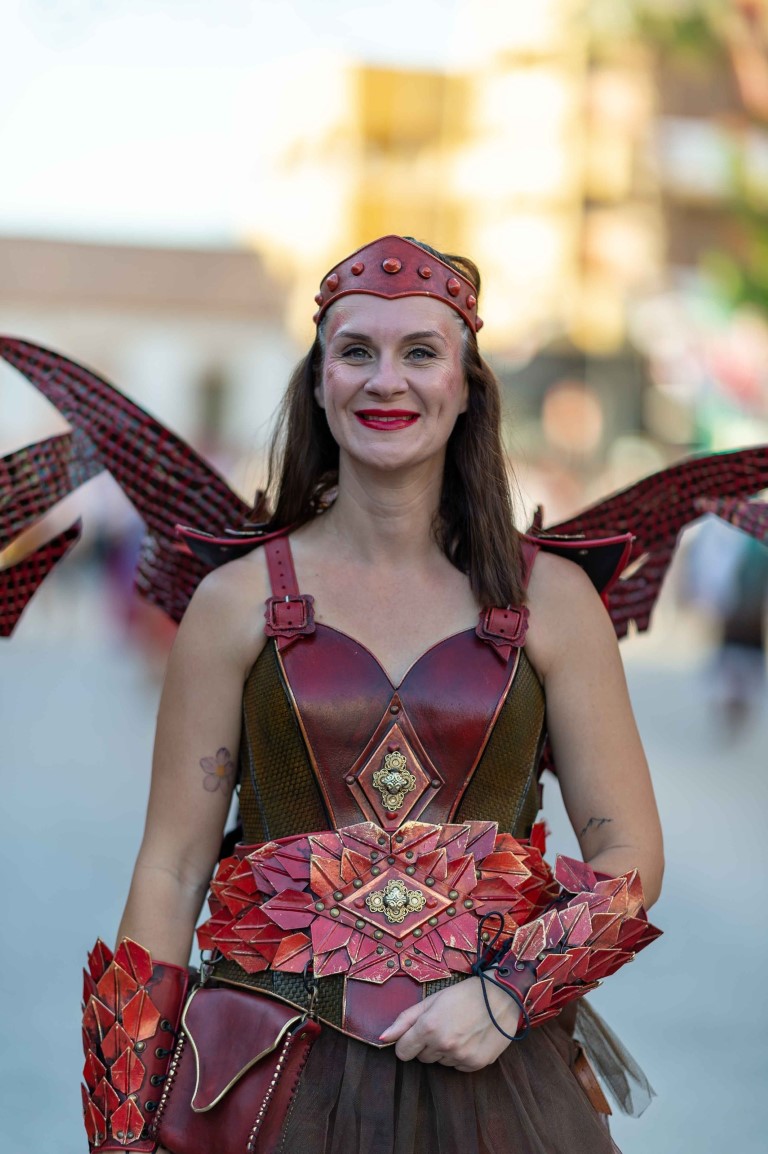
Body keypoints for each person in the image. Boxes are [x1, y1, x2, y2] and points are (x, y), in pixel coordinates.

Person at [80, 236, 664, 1154]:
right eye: (355, 351)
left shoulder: (553, 602)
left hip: (498, 1081)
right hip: (268, 1084)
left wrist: (509, 996)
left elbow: (629, 855)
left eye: (421, 352)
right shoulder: (233, 603)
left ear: (467, 387)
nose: (386, 380)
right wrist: (120, 1131)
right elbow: (171, 868)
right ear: (319, 383)